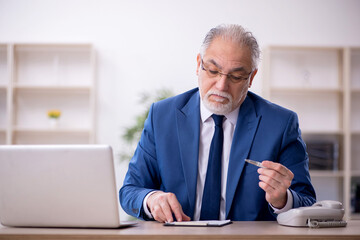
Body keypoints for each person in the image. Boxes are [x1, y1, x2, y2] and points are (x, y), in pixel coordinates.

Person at [120, 24, 316, 223]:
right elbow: (130, 191)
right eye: (213, 71)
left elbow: (307, 201)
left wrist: (282, 200)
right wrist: (151, 198)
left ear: (251, 77)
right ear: (198, 64)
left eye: (236, 76)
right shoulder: (162, 116)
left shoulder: (280, 124)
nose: (221, 85)